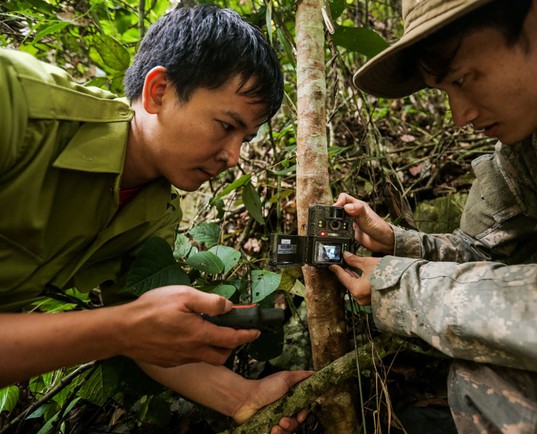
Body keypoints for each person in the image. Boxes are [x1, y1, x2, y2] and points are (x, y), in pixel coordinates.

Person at [330, 0, 537, 432]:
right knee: (485, 380)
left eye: (463, 79)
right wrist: (397, 243)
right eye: (444, 91)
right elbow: (484, 247)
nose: (460, 117)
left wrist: (400, 286)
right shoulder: (530, 139)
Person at [0, 5, 310, 432]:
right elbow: (131, 327)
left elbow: (150, 337)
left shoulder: (155, 215)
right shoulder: (16, 104)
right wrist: (118, 329)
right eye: (225, 125)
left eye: (246, 139)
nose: (233, 157)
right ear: (159, 90)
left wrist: (243, 397)